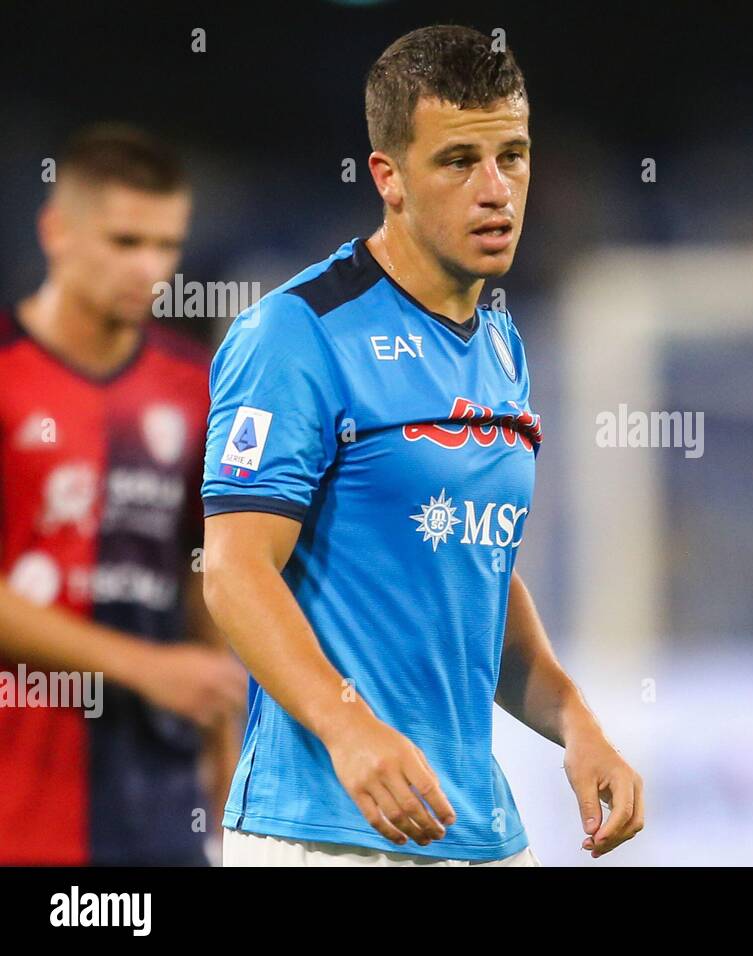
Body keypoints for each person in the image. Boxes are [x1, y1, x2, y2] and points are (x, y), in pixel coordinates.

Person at [203, 24, 643, 867]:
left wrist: (576, 724)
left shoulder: (500, 345)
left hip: (475, 829)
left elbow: (478, 571)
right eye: (458, 161)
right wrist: (348, 728)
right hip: (324, 831)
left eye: (512, 156)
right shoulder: (297, 335)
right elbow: (233, 569)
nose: (496, 190)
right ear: (389, 177)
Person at [0, 124, 246, 865]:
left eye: (166, 246)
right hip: (20, 800)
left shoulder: (198, 386)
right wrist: (143, 668)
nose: (151, 269)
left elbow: (204, 576)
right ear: (56, 231)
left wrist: (226, 754)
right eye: (124, 242)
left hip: (157, 804)